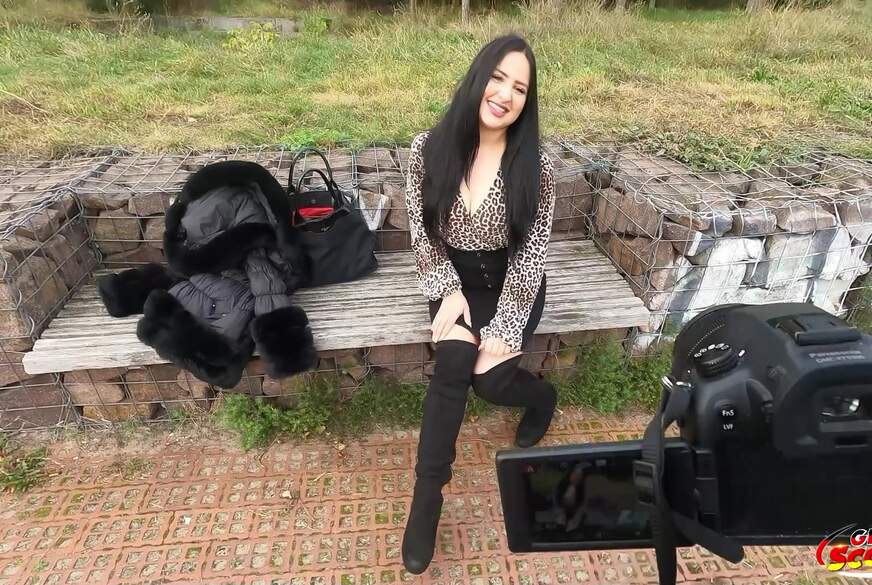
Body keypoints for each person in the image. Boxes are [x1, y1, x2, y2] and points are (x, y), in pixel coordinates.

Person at [402, 33, 557, 574]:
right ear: (478, 79)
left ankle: (542, 398)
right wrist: (446, 289)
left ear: (526, 102)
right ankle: (427, 498)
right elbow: (422, 233)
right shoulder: (428, 148)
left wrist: (506, 326)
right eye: (498, 78)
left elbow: (531, 254)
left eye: (520, 88)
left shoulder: (535, 166)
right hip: (453, 278)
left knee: (490, 381)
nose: (505, 94)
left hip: (512, 282)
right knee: (452, 361)